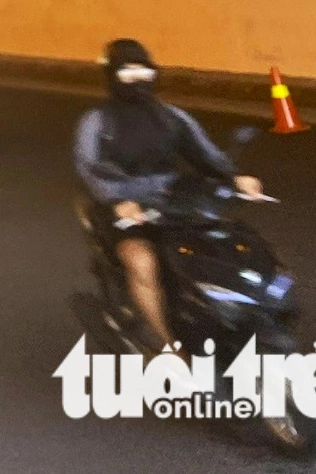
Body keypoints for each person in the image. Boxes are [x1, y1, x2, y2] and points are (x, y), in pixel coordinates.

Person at [73, 38, 263, 350]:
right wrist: (116, 199)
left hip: (173, 200)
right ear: (112, 76)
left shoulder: (172, 117)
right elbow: (90, 166)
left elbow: (206, 153)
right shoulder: (96, 121)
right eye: (127, 72)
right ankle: (168, 344)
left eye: (143, 71)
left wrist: (234, 177)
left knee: (220, 246)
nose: (137, 79)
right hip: (122, 205)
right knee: (142, 260)